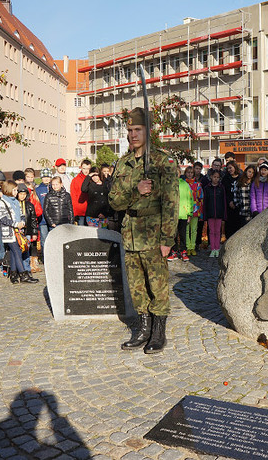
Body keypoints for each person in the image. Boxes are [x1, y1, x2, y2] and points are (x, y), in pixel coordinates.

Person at [109, 107, 179, 355]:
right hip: (130, 233)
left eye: (137, 129)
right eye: (129, 130)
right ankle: (142, 330)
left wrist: (167, 238)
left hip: (153, 232)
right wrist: (135, 191)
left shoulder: (164, 161)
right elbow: (114, 201)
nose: (132, 134)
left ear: (148, 131)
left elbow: (172, 202)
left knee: (157, 285)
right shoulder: (123, 163)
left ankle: (158, 332)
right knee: (137, 286)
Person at [0, 181, 30, 284]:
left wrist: (23, 222)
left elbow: (21, 214)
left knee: (14, 252)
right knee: (17, 251)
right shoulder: (2, 202)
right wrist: (16, 224)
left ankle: (13, 274)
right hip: (9, 232)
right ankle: (23, 274)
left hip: (18, 231)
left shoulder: (15, 202)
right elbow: (3, 219)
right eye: (14, 190)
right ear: (9, 190)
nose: (16, 192)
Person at [169, 169, 193, 262]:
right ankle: (174, 251)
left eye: (177, 173)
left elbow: (189, 199)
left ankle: (183, 251)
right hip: (172, 214)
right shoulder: (169, 184)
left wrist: (189, 213)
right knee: (173, 234)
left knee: (183, 234)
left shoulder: (185, 185)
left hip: (183, 213)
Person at [203, 169, 226, 257]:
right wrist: (205, 215)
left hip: (219, 213)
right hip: (210, 213)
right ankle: (213, 249)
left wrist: (224, 214)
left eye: (217, 177)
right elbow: (205, 202)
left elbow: (223, 201)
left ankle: (217, 248)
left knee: (218, 231)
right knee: (212, 231)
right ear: (211, 177)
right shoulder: (207, 188)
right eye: (214, 177)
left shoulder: (221, 188)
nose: (216, 179)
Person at [183, 166, 203, 256]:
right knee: (186, 229)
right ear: (185, 174)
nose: (190, 174)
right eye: (188, 172)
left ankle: (192, 246)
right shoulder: (183, 184)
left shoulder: (198, 185)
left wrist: (200, 211)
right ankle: (187, 247)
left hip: (195, 210)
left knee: (194, 230)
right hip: (185, 210)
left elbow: (201, 198)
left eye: (191, 173)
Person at [221, 160, 241, 239]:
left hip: (239, 205)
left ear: (235, 167)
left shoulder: (240, 177)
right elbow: (224, 192)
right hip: (228, 205)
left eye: (231, 168)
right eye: (228, 168)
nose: (229, 170)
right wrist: (229, 201)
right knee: (229, 226)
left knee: (238, 226)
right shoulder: (225, 178)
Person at [70, 159, 91, 226]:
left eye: (88, 168)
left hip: (91, 211)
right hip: (80, 211)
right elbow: (73, 197)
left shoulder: (93, 179)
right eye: (84, 168)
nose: (86, 170)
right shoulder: (75, 180)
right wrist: (75, 212)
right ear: (81, 168)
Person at [36, 168, 52, 252]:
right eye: (44, 177)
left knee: (53, 239)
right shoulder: (38, 189)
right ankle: (45, 258)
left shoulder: (54, 187)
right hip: (42, 219)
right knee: (44, 240)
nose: (46, 178)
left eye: (48, 177)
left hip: (53, 219)